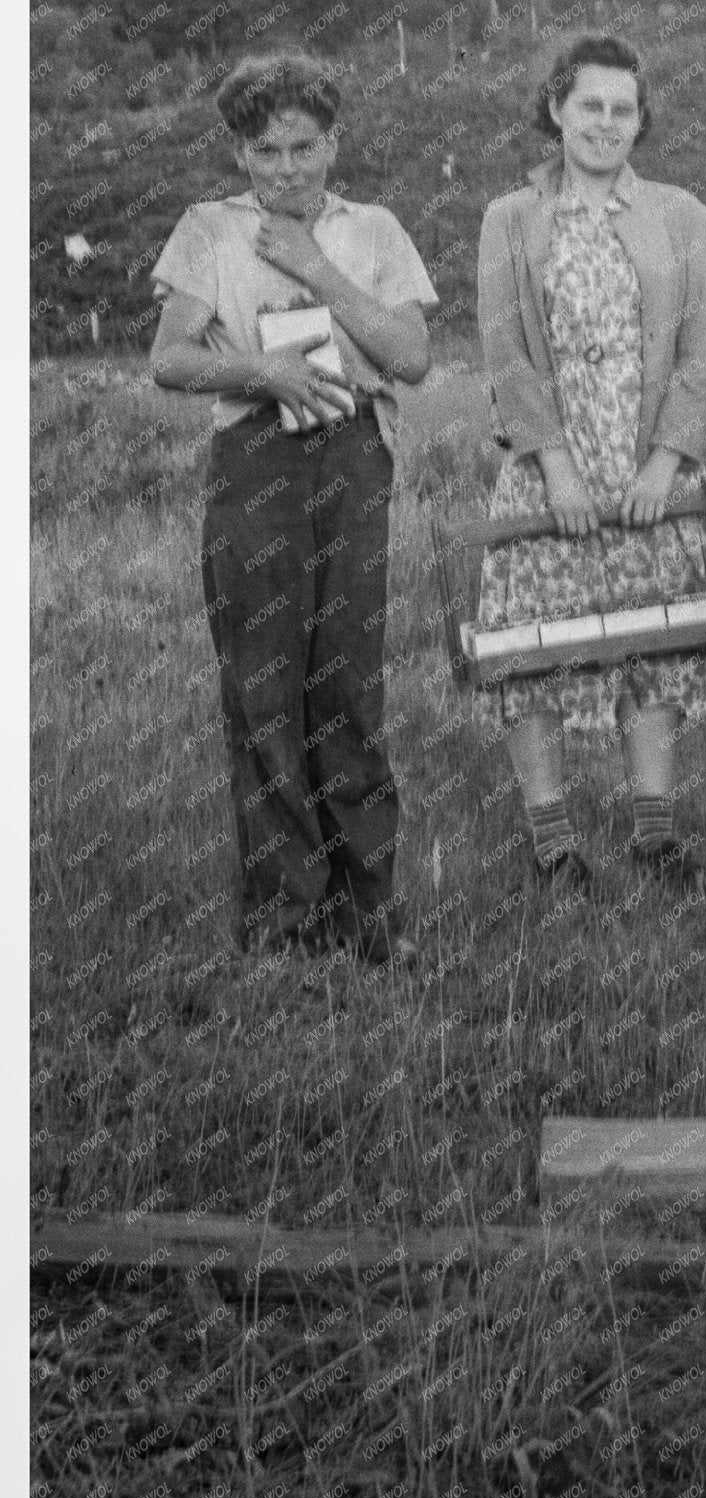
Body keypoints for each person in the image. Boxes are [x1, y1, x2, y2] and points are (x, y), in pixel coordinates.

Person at [149, 49, 437, 963]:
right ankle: (286, 923)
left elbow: (412, 356)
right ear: (240, 153)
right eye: (264, 150)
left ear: (333, 143)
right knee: (265, 689)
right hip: (254, 456)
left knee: (347, 683)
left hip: (353, 454)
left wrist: (318, 269)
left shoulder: (376, 229)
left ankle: (370, 914)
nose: (285, 169)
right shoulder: (207, 229)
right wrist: (261, 369)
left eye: (302, 148)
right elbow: (170, 358)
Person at [474, 34, 706, 890]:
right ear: (556, 109)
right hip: (551, 467)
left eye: (624, 109)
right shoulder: (510, 220)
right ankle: (552, 839)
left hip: (647, 462)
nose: (607, 123)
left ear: (642, 119)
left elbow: (702, 347)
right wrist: (556, 466)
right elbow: (506, 352)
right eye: (590, 105)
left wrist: (665, 462)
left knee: (653, 640)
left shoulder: (681, 215)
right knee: (534, 646)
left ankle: (654, 828)